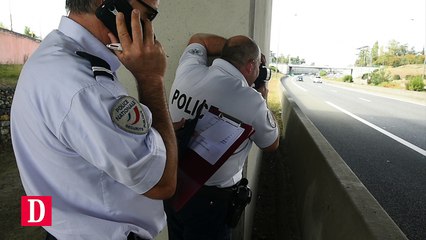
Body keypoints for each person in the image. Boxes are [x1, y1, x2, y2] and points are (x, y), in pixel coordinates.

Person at [11, 0, 178, 239]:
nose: (149, 27)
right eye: (148, 14)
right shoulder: (86, 86)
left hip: (61, 228)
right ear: (109, 5)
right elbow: (162, 183)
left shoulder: (53, 52)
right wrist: (151, 78)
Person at [165, 33, 280, 240]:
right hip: (210, 204)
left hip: (173, 187)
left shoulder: (188, 70)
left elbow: (198, 38)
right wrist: (263, 98)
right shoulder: (251, 100)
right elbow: (271, 144)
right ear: (252, 65)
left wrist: (234, 48)